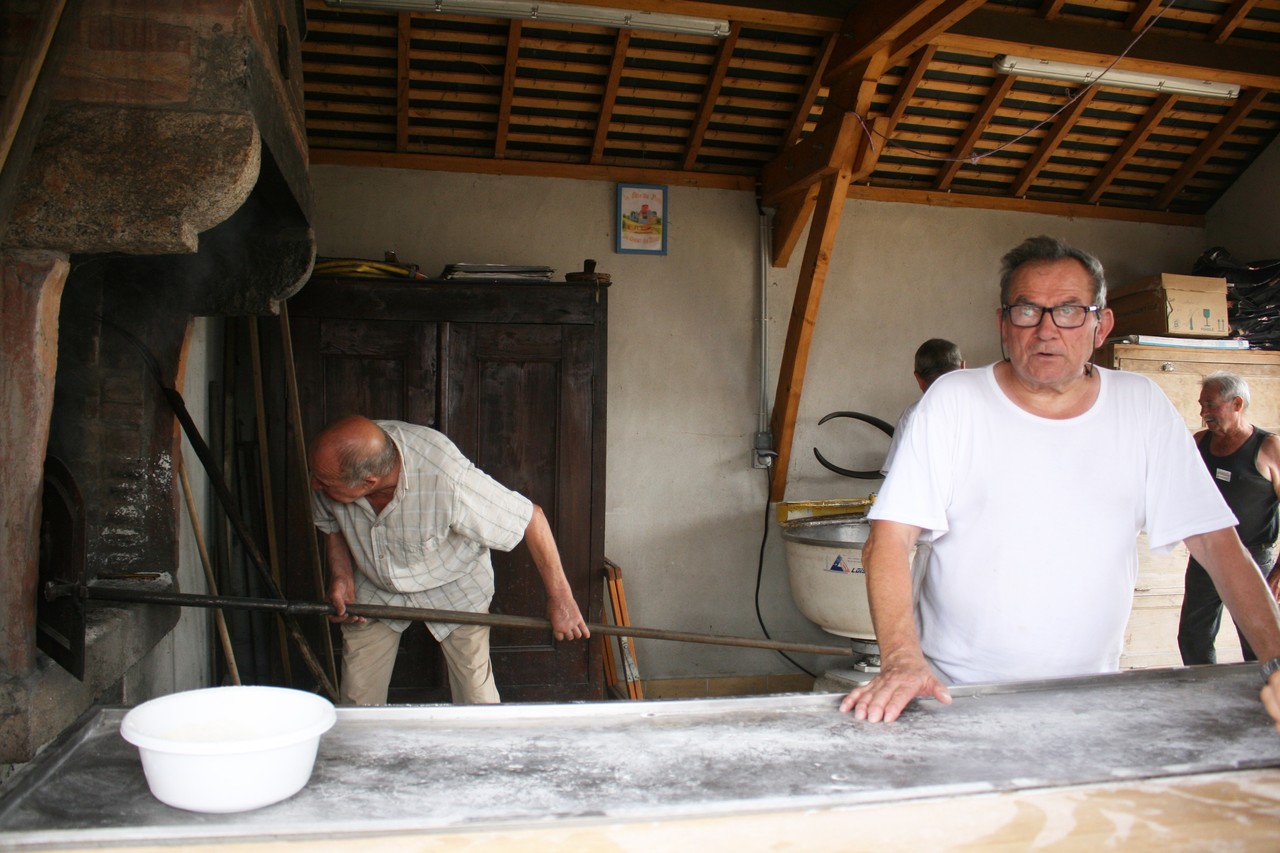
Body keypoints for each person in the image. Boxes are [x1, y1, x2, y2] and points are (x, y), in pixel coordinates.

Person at [839, 235, 1280, 731]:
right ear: (1003, 323)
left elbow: (1217, 542)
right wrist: (900, 659)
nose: (1047, 330)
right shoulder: (953, 402)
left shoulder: (1141, 406)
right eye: (1028, 311)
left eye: (1069, 311)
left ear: (1101, 324)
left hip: (1090, 696)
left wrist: (1276, 659)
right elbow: (890, 540)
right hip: (953, 693)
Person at [308, 415, 589, 705]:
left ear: (370, 481)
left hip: (453, 582)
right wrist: (342, 576)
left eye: (324, 481)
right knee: (356, 700)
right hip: (377, 578)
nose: (314, 484)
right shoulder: (333, 466)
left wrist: (562, 600)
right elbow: (332, 523)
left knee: (477, 699)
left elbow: (532, 519)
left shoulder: (447, 477)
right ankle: (361, 750)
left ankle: (483, 749)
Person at [1178, 372, 1280, 664]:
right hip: (1207, 555)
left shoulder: (1269, 447)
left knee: (1257, 641)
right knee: (1193, 636)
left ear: (1237, 403)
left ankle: (1264, 702)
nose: (1203, 413)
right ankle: (1203, 697)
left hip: (1252, 557)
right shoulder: (1199, 443)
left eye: (1210, 405)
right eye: (1201, 405)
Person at [881, 338, 965, 475]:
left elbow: (896, 476)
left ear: (918, 379)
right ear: (963, 367)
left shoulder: (913, 416)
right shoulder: (983, 408)